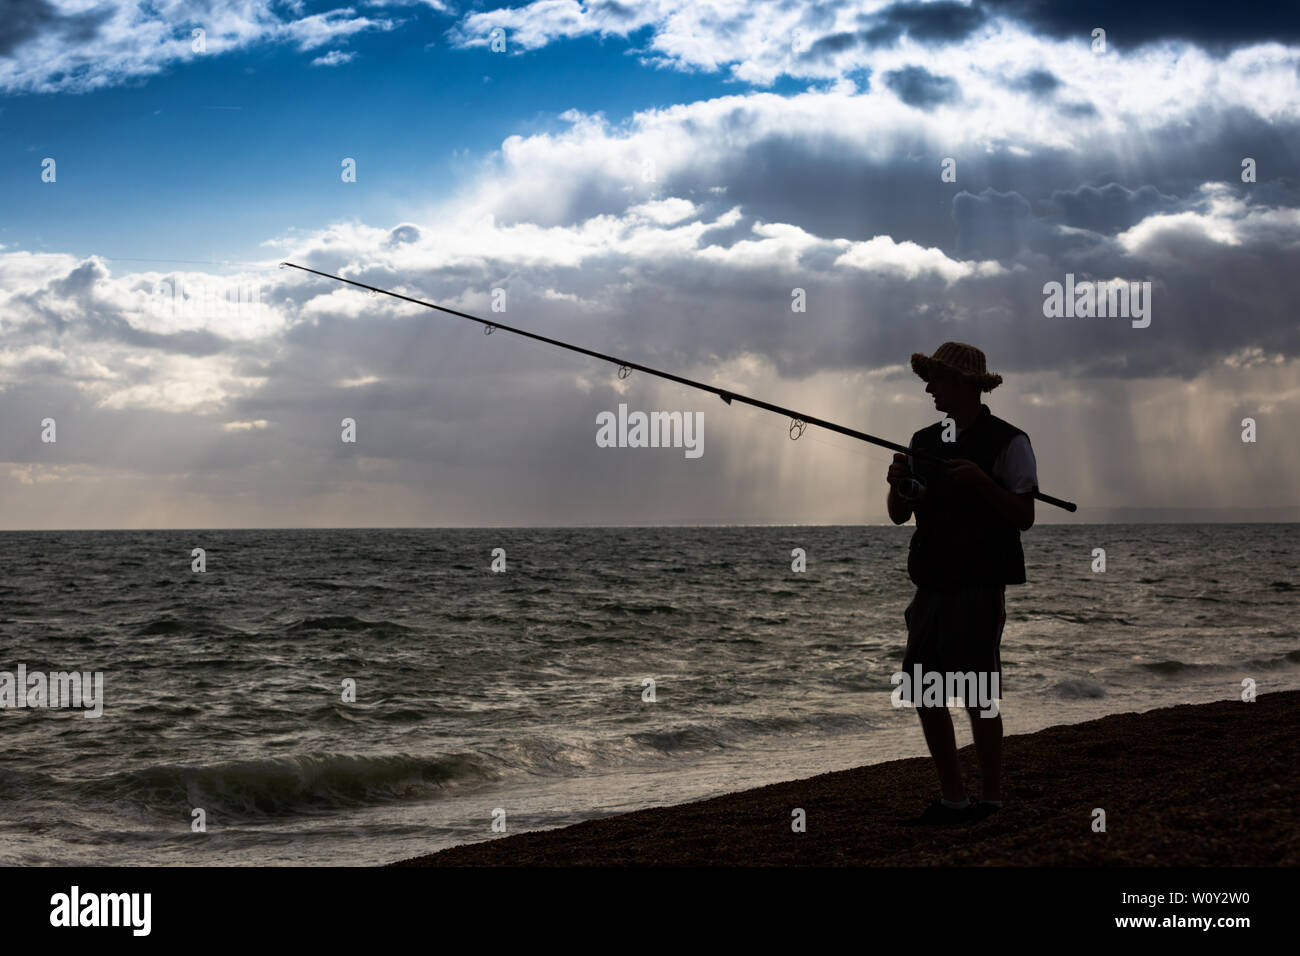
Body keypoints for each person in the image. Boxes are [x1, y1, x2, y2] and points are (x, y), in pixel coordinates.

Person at [886, 342, 1038, 825]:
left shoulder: (1010, 441)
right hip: (930, 583)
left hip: (979, 583)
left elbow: (1024, 516)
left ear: (964, 384)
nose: (928, 387)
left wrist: (982, 483)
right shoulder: (922, 440)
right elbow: (897, 515)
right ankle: (953, 797)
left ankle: (990, 799)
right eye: (928, 377)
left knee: (976, 694)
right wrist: (897, 485)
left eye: (937, 378)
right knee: (925, 691)